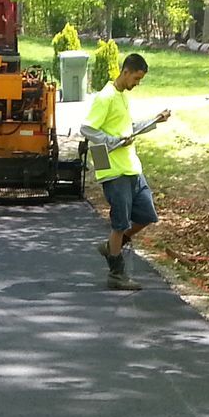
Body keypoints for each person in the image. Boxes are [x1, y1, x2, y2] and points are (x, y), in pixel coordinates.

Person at [79, 52, 170, 291]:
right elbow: (87, 129)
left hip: (132, 167)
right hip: (114, 171)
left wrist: (154, 121)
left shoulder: (122, 96)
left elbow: (127, 129)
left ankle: (112, 247)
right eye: (136, 78)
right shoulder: (105, 97)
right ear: (126, 71)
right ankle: (117, 275)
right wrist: (112, 143)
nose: (137, 83)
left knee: (147, 214)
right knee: (119, 223)